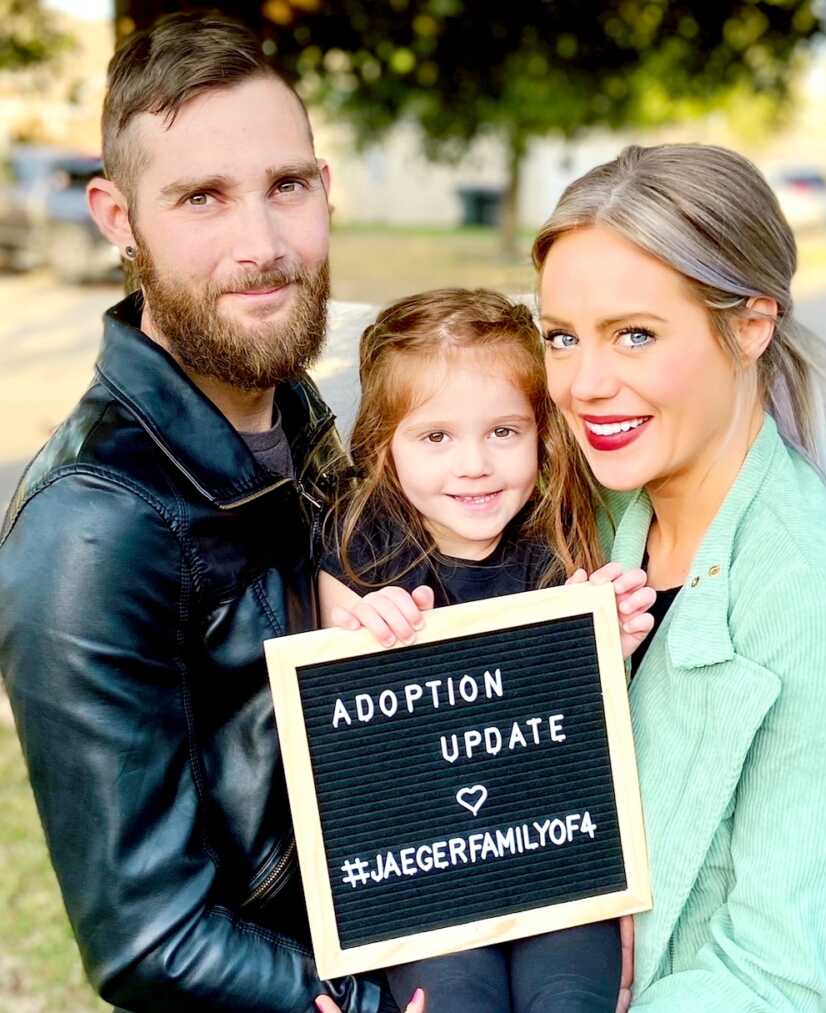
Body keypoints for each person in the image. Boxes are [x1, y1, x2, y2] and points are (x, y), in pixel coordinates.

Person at [0, 13, 413, 1012]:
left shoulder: (296, 407)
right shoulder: (92, 523)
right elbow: (152, 937)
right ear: (117, 216)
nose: (263, 246)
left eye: (288, 185)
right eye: (201, 198)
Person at [533, 142, 826, 1010]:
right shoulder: (590, 519)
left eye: (635, 335)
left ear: (749, 326)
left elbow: (778, 974)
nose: (585, 384)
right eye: (561, 337)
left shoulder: (825, 590)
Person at [314, 288, 656, 1013]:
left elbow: (578, 742)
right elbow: (339, 729)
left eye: (503, 431)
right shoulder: (358, 550)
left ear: (543, 433)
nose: (474, 464)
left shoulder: (561, 543)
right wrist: (357, 632)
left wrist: (606, 642)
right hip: (426, 879)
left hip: (556, 867)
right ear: (384, 447)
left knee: (568, 998)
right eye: (435, 437)